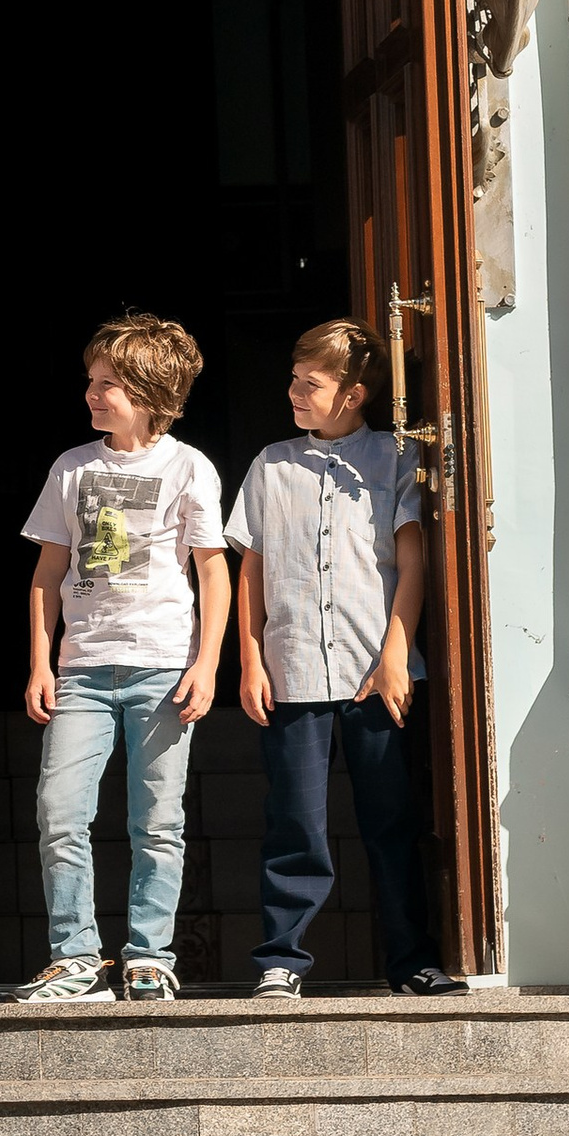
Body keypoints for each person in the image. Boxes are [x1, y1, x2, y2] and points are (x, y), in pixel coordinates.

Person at [226, 316, 461, 999]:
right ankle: (280, 959)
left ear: (353, 394)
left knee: (392, 822)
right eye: (294, 380)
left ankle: (412, 960)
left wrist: (396, 655)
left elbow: (411, 561)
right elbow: (252, 568)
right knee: (295, 821)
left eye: (311, 384)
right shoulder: (272, 464)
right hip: (293, 670)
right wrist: (249, 658)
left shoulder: (396, 457)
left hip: (374, 675)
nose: (294, 392)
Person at [14, 315, 230, 1008]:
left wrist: (206, 663)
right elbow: (48, 572)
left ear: (149, 394)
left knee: (157, 820)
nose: (92, 393)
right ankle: (76, 957)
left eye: (108, 384)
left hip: (163, 666)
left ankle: (148, 958)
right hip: (82, 668)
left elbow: (214, 573)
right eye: (91, 381)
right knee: (59, 809)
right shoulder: (73, 468)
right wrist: (41, 662)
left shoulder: (188, 467)